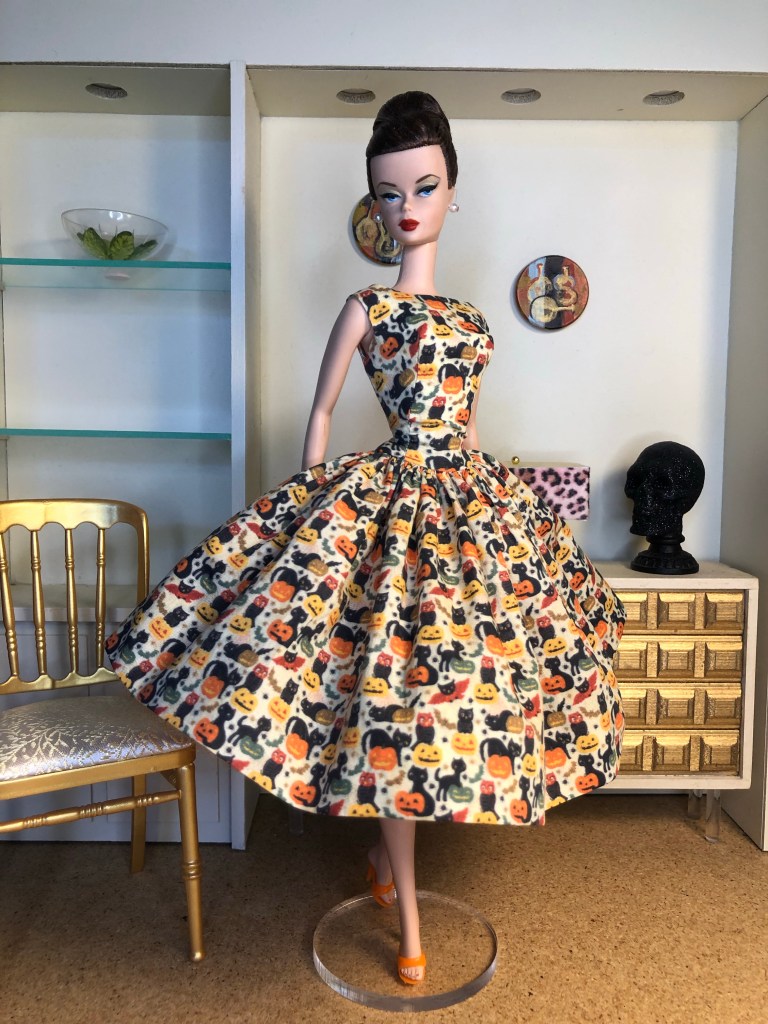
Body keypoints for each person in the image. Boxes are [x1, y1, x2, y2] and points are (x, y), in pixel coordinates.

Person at [107, 92, 625, 987]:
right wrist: (311, 514)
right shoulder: (366, 308)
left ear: (452, 191)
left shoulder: (474, 324)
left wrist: (499, 514)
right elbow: (320, 412)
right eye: (389, 194)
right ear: (375, 204)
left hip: (459, 504)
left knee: (455, 687)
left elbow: (465, 430)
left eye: (423, 187)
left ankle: (393, 859)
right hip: (384, 501)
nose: (406, 208)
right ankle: (409, 920)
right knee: (383, 693)